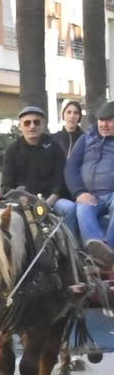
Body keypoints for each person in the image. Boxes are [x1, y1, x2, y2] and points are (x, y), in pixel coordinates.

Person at [65, 100, 114, 262]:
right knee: (83, 209)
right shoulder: (86, 139)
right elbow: (71, 168)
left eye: (109, 120)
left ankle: (109, 251)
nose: (104, 124)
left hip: (112, 194)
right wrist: (79, 192)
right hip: (89, 194)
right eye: (101, 120)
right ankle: (98, 252)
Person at [0, 104, 69, 201]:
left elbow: (61, 181)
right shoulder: (12, 150)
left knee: (69, 209)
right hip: (21, 203)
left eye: (36, 122)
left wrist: (48, 203)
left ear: (42, 125)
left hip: (52, 200)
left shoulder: (55, 147)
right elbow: (7, 184)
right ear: (20, 127)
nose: (32, 126)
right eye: (27, 123)